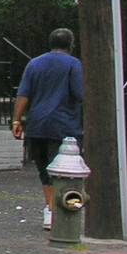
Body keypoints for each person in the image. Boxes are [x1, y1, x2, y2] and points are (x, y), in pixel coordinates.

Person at [12, 29, 84, 230]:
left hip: (37, 125)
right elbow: (79, 93)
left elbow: (23, 94)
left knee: (44, 170)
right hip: (64, 125)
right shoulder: (73, 64)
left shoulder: (34, 63)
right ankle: (62, 209)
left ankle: (50, 209)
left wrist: (17, 121)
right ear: (71, 45)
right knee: (64, 171)